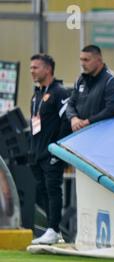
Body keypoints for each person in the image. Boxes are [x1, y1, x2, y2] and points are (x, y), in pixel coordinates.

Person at [28, 53, 70, 244]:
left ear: (47, 69)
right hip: (37, 153)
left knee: (53, 189)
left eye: (35, 67)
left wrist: (58, 148)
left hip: (52, 151)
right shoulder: (36, 94)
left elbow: (67, 121)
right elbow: (35, 125)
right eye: (31, 68)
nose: (32, 71)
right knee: (42, 190)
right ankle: (54, 230)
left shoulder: (60, 92)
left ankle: (53, 229)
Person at [66, 45, 114, 132]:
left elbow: (112, 110)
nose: (82, 64)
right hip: (80, 134)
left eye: (86, 60)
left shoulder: (111, 80)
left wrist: (88, 122)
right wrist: (73, 118)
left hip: (101, 135)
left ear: (99, 60)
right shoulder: (81, 79)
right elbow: (70, 104)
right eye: (81, 60)